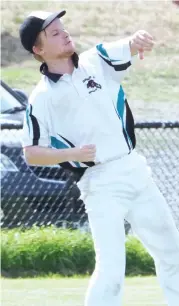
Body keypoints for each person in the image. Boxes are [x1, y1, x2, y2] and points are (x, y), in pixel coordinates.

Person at [19, 10, 179, 306]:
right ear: (38, 50)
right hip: (100, 184)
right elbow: (31, 154)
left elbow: (129, 44)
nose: (64, 34)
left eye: (63, 29)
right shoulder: (41, 98)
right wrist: (72, 154)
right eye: (54, 33)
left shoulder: (96, 59)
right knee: (111, 270)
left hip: (135, 170)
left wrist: (138, 39)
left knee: (173, 253)